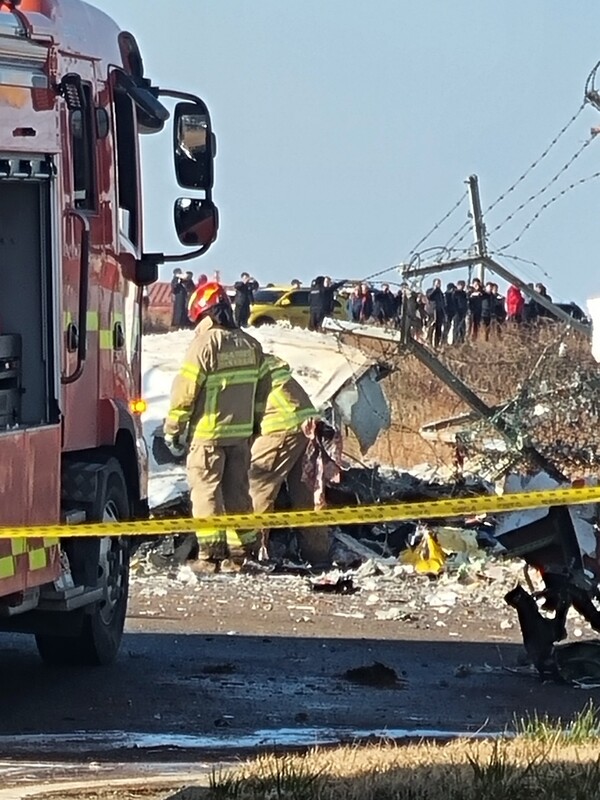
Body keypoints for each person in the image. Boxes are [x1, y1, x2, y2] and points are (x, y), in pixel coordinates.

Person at [163, 282, 269, 569]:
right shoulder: (251, 344)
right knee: (238, 495)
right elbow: (262, 391)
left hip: (208, 436)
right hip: (240, 437)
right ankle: (243, 553)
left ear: (204, 314)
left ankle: (210, 557)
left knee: (206, 493)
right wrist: (254, 426)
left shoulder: (204, 344)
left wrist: (174, 429)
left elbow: (185, 391)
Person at [248, 355, 328, 564]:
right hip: (306, 425)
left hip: (280, 427)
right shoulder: (261, 361)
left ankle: (251, 553)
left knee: (257, 488)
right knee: (306, 497)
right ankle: (318, 556)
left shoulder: (234, 367)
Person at [425, 278, 445, 347]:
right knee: (431, 326)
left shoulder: (440, 293)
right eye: (437, 283)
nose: (439, 285)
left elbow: (442, 302)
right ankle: (428, 341)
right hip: (432, 311)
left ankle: (436, 344)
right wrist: (435, 290)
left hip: (439, 311)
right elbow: (429, 296)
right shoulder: (430, 290)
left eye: (439, 283)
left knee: (438, 328)